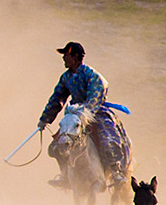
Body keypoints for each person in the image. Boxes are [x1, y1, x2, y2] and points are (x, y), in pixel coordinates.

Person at [38, 41, 129, 188]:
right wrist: (45, 119)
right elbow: (57, 98)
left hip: (95, 113)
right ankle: (65, 175)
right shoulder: (66, 78)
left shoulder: (93, 76)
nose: (63, 59)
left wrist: (83, 114)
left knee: (108, 139)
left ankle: (116, 170)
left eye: (66, 55)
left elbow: (95, 98)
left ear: (75, 57)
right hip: (74, 115)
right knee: (56, 146)